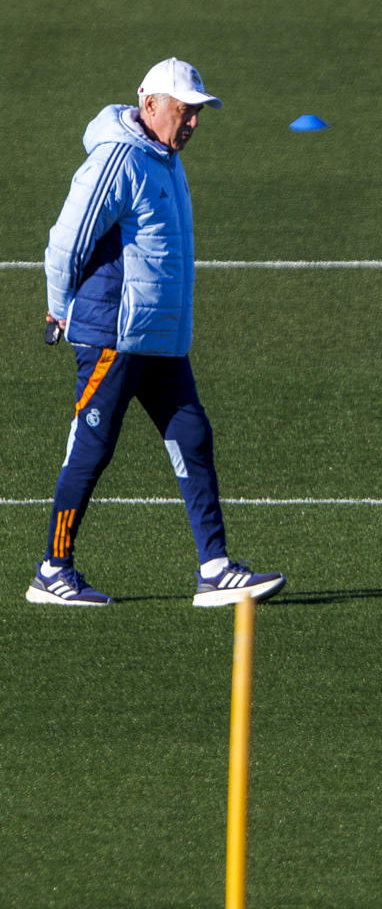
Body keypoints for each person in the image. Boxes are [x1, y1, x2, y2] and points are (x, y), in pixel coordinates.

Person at [28, 58, 285, 608]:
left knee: (192, 436)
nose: (191, 122)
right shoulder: (118, 159)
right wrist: (58, 310)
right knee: (91, 451)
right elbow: (65, 244)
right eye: (183, 111)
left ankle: (214, 568)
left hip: (160, 340)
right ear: (150, 106)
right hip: (114, 337)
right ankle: (52, 570)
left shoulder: (164, 158)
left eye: (197, 114)